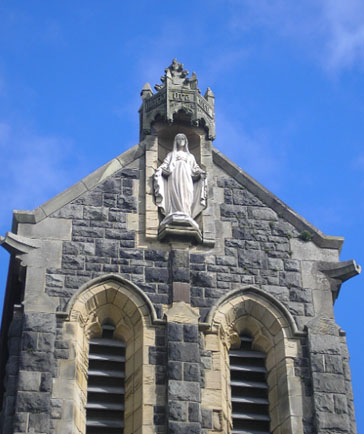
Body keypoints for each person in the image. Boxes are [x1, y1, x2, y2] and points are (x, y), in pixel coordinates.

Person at [154, 133, 207, 226]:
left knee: (187, 193)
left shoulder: (190, 156)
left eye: (183, 138)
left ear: (186, 141)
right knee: (175, 192)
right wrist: (160, 170)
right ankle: (174, 211)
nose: (181, 140)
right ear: (176, 142)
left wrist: (200, 173)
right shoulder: (171, 154)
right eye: (178, 139)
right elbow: (165, 165)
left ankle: (186, 212)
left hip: (187, 176)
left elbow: (195, 168)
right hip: (174, 176)